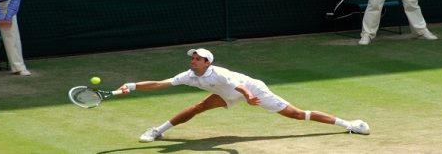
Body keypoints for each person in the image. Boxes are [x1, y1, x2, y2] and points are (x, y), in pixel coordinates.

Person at [118, 48, 370, 143]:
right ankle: (157, 131)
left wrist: (249, 97)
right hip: (226, 94)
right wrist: (133, 85)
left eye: (197, 59)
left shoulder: (220, 73)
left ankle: (350, 125)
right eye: (192, 58)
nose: (192, 61)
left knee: (295, 114)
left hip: (251, 89)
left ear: (207, 62)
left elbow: (240, 87)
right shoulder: (189, 75)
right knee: (197, 107)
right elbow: (160, 84)